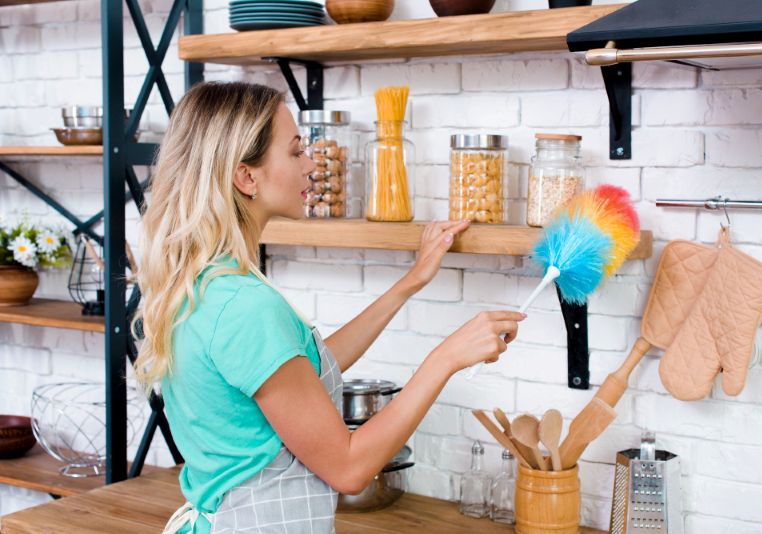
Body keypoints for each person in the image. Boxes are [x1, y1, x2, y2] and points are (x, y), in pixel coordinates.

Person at [133, 81, 526, 533]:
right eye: (296, 150)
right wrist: (446, 358)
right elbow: (349, 467)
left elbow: (295, 378)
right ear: (247, 176)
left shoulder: (205, 285)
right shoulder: (246, 306)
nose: (313, 162)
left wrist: (410, 283)